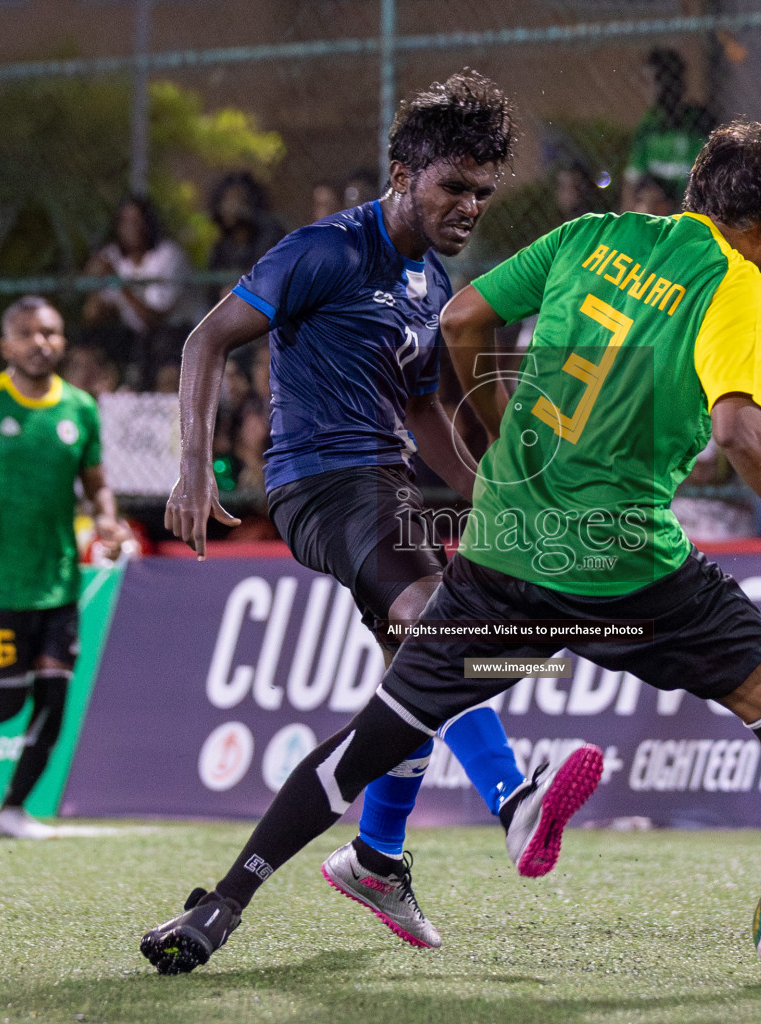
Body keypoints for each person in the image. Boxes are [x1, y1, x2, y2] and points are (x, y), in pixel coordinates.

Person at [142, 115, 761, 983]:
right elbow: (740, 428)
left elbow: (464, 321)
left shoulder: (591, 234)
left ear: (697, 189)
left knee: (384, 729)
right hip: (627, 569)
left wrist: (505, 438)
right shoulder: (737, 285)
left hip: (502, 548)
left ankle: (226, 901)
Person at [158, 72, 599, 951]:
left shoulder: (433, 284)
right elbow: (205, 338)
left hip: (385, 485)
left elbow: (427, 408)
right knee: (443, 636)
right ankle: (512, 801)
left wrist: (493, 497)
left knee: (420, 679)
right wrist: (191, 469)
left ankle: (378, 857)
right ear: (404, 172)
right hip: (320, 483)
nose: (470, 205)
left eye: (482, 191)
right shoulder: (321, 250)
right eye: (453, 187)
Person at [0, 296, 130, 839]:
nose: (42, 343)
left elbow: (97, 482)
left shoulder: (80, 408)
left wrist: (107, 520)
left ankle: (10, 809)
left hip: (58, 580)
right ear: (6, 345)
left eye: (52, 333)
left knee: (54, 700)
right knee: (8, 697)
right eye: (29, 334)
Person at [82, 195, 192, 390]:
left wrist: (116, 280)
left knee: (165, 368)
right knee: (89, 349)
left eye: (137, 220)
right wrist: (94, 280)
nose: (131, 227)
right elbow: (92, 316)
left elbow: (152, 318)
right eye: (124, 220)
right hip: (134, 337)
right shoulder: (113, 256)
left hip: (174, 335)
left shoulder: (168, 255)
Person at [624, 48, 714, 211]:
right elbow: (632, 181)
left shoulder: (700, 123)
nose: (647, 89)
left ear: (673, 82)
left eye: (654, 80)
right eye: (645, 82)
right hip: (660, 214)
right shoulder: (648, 127)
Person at [206, 172, 287, 305]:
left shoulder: (271, 236)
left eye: (235, 199)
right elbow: (213, 292)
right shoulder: (222, 248)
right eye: (225, 199)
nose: (229, 207)